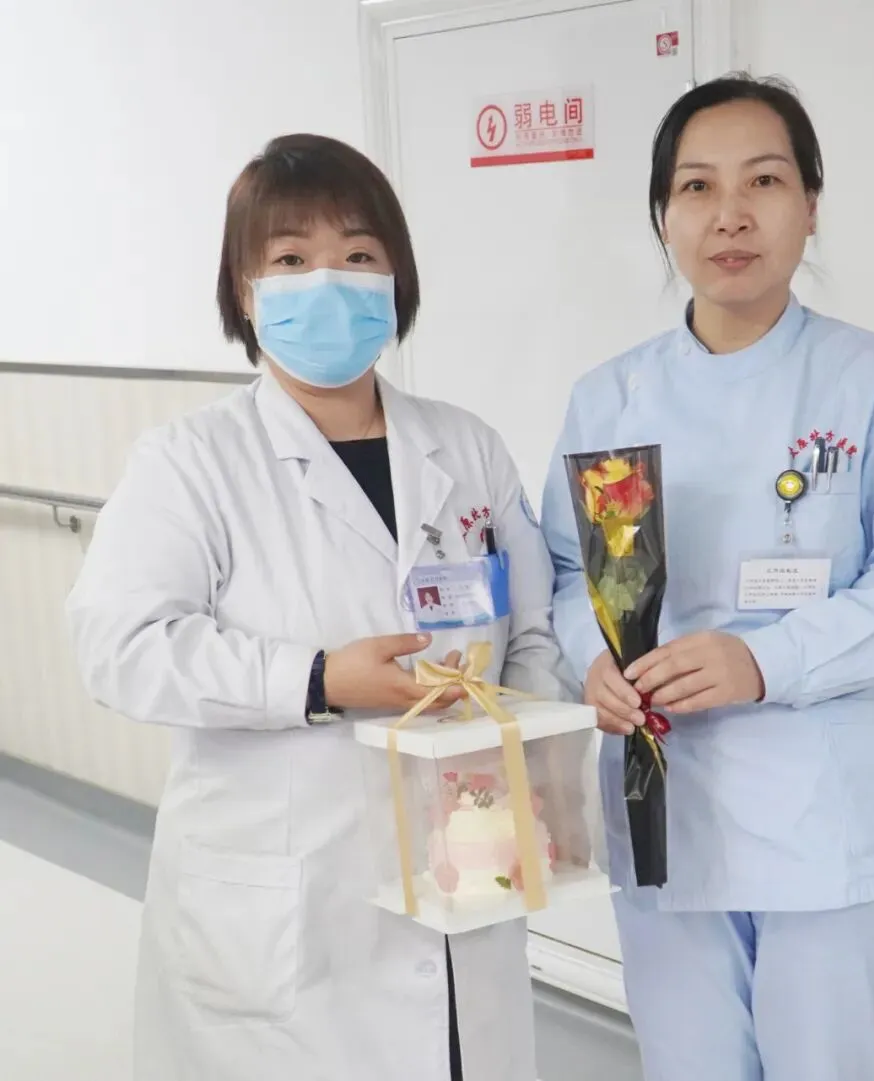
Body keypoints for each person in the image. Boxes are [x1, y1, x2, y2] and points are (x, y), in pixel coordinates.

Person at [67, 133, 569, 1081]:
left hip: (463, 867)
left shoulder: (468, 447)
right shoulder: (190, 462)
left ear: (396, 279)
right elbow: (118, 643)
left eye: (358, 253)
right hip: (283, 911)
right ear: (244, 291)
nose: (328, 283)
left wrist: (516, 751)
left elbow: (535, 632)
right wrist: (315, 678)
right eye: (292, 259)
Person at [540, 75, 874, 1081]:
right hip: (666, 802)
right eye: (697, 186)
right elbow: (568, 572)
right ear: (663, 214)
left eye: (765, 180)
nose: (730, 214)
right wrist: (591, 660)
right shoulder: (609, 398)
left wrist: (764, 661)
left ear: (811, 204)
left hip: (826, 820)